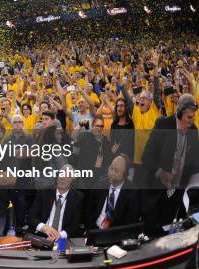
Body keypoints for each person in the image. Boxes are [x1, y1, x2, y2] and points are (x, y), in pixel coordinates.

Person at [141, 94, 198, 235]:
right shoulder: (163, 123)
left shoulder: (193, 130)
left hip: (176, 197)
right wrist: (160, 173)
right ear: (179, 113)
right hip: (156, 195)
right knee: (153, 236)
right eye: (189, 117)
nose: (191, 121)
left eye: (193, 117)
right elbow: (147, 156)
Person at [27, 164, 85, 240]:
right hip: (42, 234)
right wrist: (44, 227)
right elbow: (31, 217)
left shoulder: (78, 197)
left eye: (67, 175)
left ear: (72, 180)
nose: (62, 178)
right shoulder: (44, 193)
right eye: (61, 174)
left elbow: (75, 225)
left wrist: (59, 235)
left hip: (62, 237)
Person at [84, 154, 140, 230]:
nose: (111, 173)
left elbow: (130, 222)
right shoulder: (101, 183)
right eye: (111, 168)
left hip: (115, 234)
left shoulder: (132, 192)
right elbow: (89, 209)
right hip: (95, 230)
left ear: (125, 174)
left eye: (116, 171)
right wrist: (89, 230)